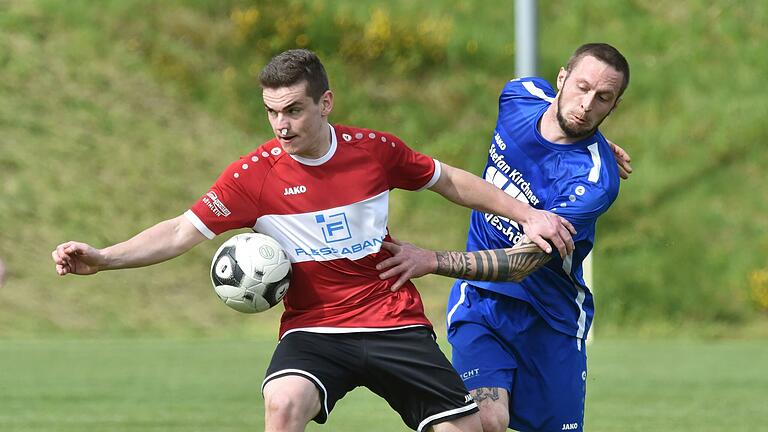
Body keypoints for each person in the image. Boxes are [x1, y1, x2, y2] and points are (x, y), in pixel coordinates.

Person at [51, 49, 581, 432]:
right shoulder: (253, 176)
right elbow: (178, 231)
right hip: (315, 329)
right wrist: (104, 258)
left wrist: (527, 214)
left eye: (293, 110)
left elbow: (451, 181)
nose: (281, 125)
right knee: (282, 404)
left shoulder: (374, 151)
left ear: (325, 102)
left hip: (393, 319)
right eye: (272, 111)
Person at [377, 43, 631, 432]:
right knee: (487, 419)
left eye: (603, 99)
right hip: (481, 302)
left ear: (612, 109)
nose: (586, 104)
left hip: (552, 318)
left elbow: (519, 264)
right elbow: (551, 113)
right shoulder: (519, 96)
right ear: (561, 78)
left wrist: (431, 260)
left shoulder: (593, 180)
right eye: (581, 87)